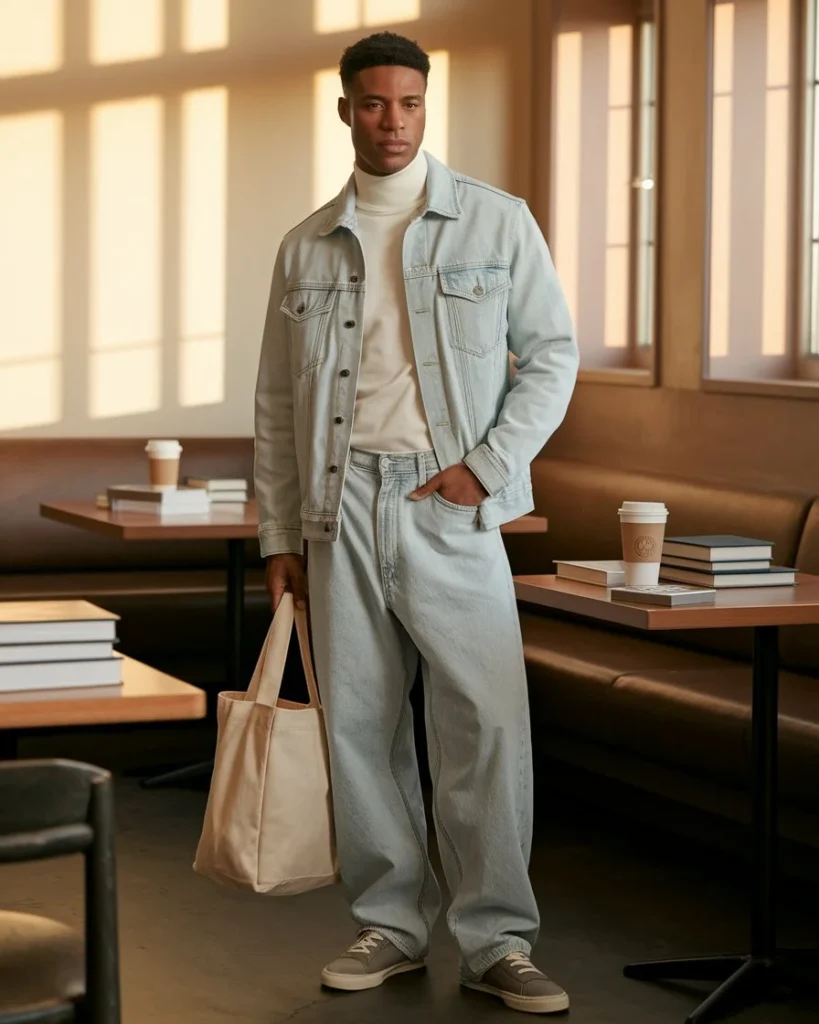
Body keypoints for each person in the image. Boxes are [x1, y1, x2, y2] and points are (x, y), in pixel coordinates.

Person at [254, 31, 578, 1015]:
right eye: (372, 103)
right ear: (344, 108)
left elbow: (552, 358)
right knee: (358, 725)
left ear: (425, 108)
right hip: (335, 499)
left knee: (483, 723)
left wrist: (485, 469)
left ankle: (498, 940)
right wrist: (278, 534)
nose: (391, 121)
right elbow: (274, 402)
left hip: (450, 506)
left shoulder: (497, 222)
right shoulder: (305, 244)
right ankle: (392, 923)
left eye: (408, 104)